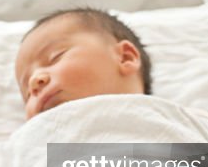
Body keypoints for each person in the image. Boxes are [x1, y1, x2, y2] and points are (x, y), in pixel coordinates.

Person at [14, 7, 152, 119]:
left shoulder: (164, 120)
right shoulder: (29, 141)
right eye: (27, 94)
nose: (34, 81)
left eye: (56, 57)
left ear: (125, 58)